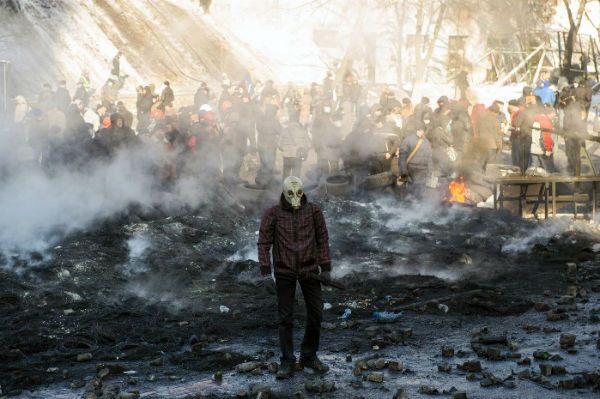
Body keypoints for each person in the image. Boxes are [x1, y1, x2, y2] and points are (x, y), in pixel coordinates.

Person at [257, 176, 332, 379]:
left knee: (316, 313)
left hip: (310, 271)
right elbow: (263, 243)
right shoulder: (273, 213)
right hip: (285, 272)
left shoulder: (314, 211)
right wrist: (266, 273)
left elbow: (322, 238)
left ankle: (308, 355)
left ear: (303, 191)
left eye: (298, 192)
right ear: (283, 193)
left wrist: (325, 268)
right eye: (291, 194)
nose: (295, 198)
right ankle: (287, 361)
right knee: (285, 319)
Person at [399, 117, 433, 197]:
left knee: (415, 190)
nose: (422, 132)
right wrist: (403, 172)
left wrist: (430, 171)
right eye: (421, 130)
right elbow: (402, 156)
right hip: (413, 169)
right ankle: (414, 204)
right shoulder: (424, 141)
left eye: (423, 130)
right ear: (417, 130)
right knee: (415, 190)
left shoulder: (425, 141)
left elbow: (429, 157)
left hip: (419, 169)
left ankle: (413, 204)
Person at [475, 101, 503, 172]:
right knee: (489, 166)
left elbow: (476, 130)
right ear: (495, 112)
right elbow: (497, 135)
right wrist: (500, 146)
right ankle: (487, 180)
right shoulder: (494, 119)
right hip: (491, 146)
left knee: (481, 165)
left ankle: (479, 179)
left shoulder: (480, 117)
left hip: (481, 144)